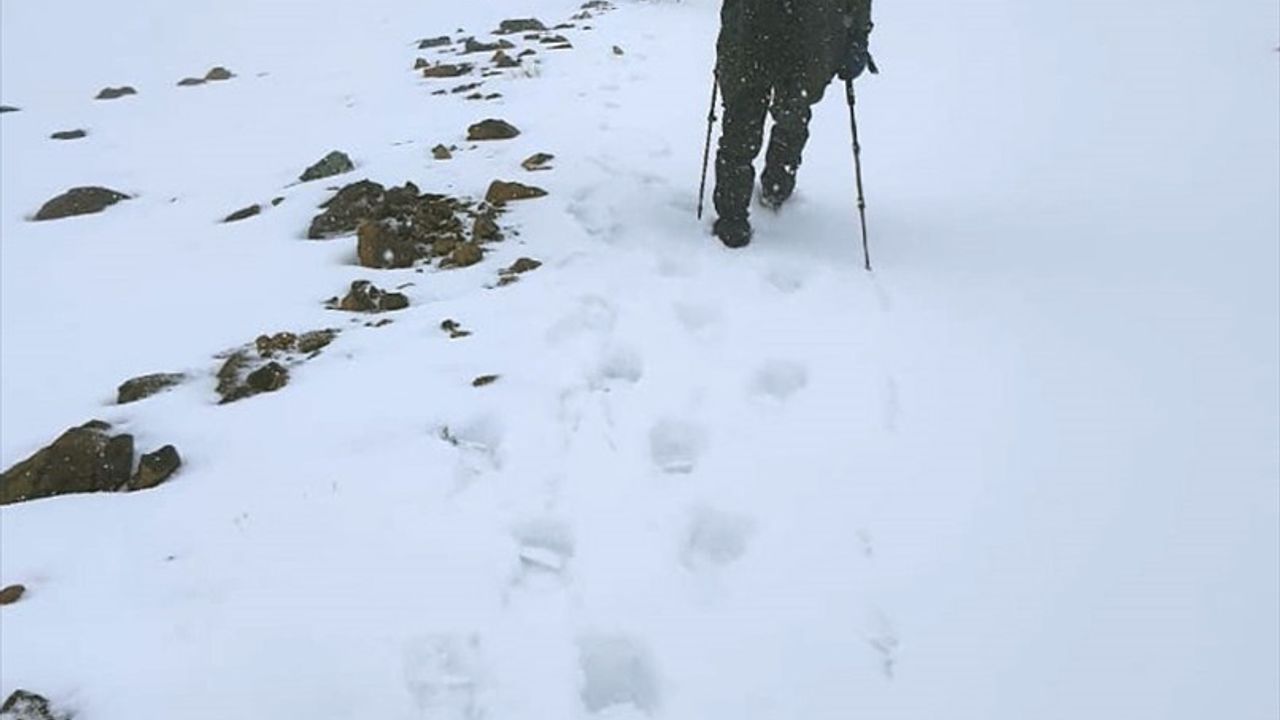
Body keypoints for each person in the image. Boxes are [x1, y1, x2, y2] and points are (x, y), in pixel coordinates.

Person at [712, 0, 874, 248]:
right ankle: (732, 215)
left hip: (809, 37)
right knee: (742, 123)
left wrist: (858, 35)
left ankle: (777, 183)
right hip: (754, 31)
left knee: (791, 116)